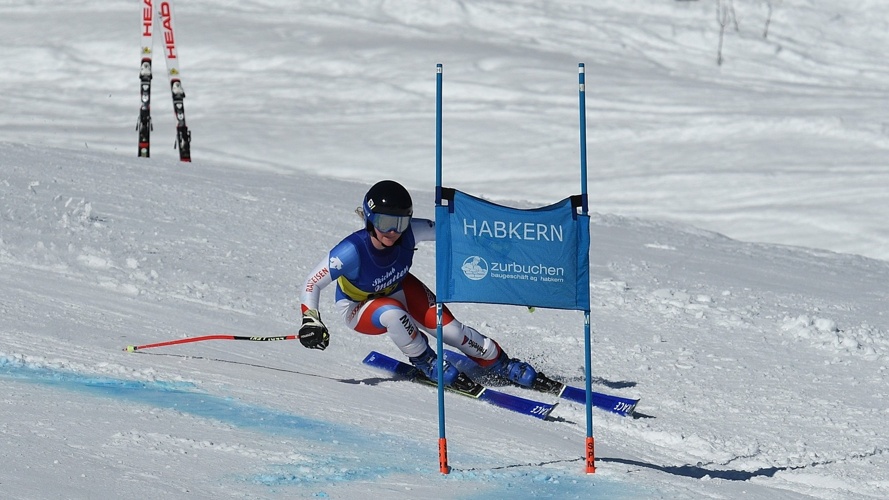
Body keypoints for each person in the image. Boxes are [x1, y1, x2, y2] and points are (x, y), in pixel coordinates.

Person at [298, 180, 556, 392]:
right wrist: (311, 320)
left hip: (398, 286)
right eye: (384, 223)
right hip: (358, 307)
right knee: (393, 313)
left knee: (452, 331)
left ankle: (501, 363)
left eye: (399, 223)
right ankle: (426, 361)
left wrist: (497, 249)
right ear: (369, 219)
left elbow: (456, 233)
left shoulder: (412, 231)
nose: (392, 232)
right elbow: (312, 282)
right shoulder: (351, 251)